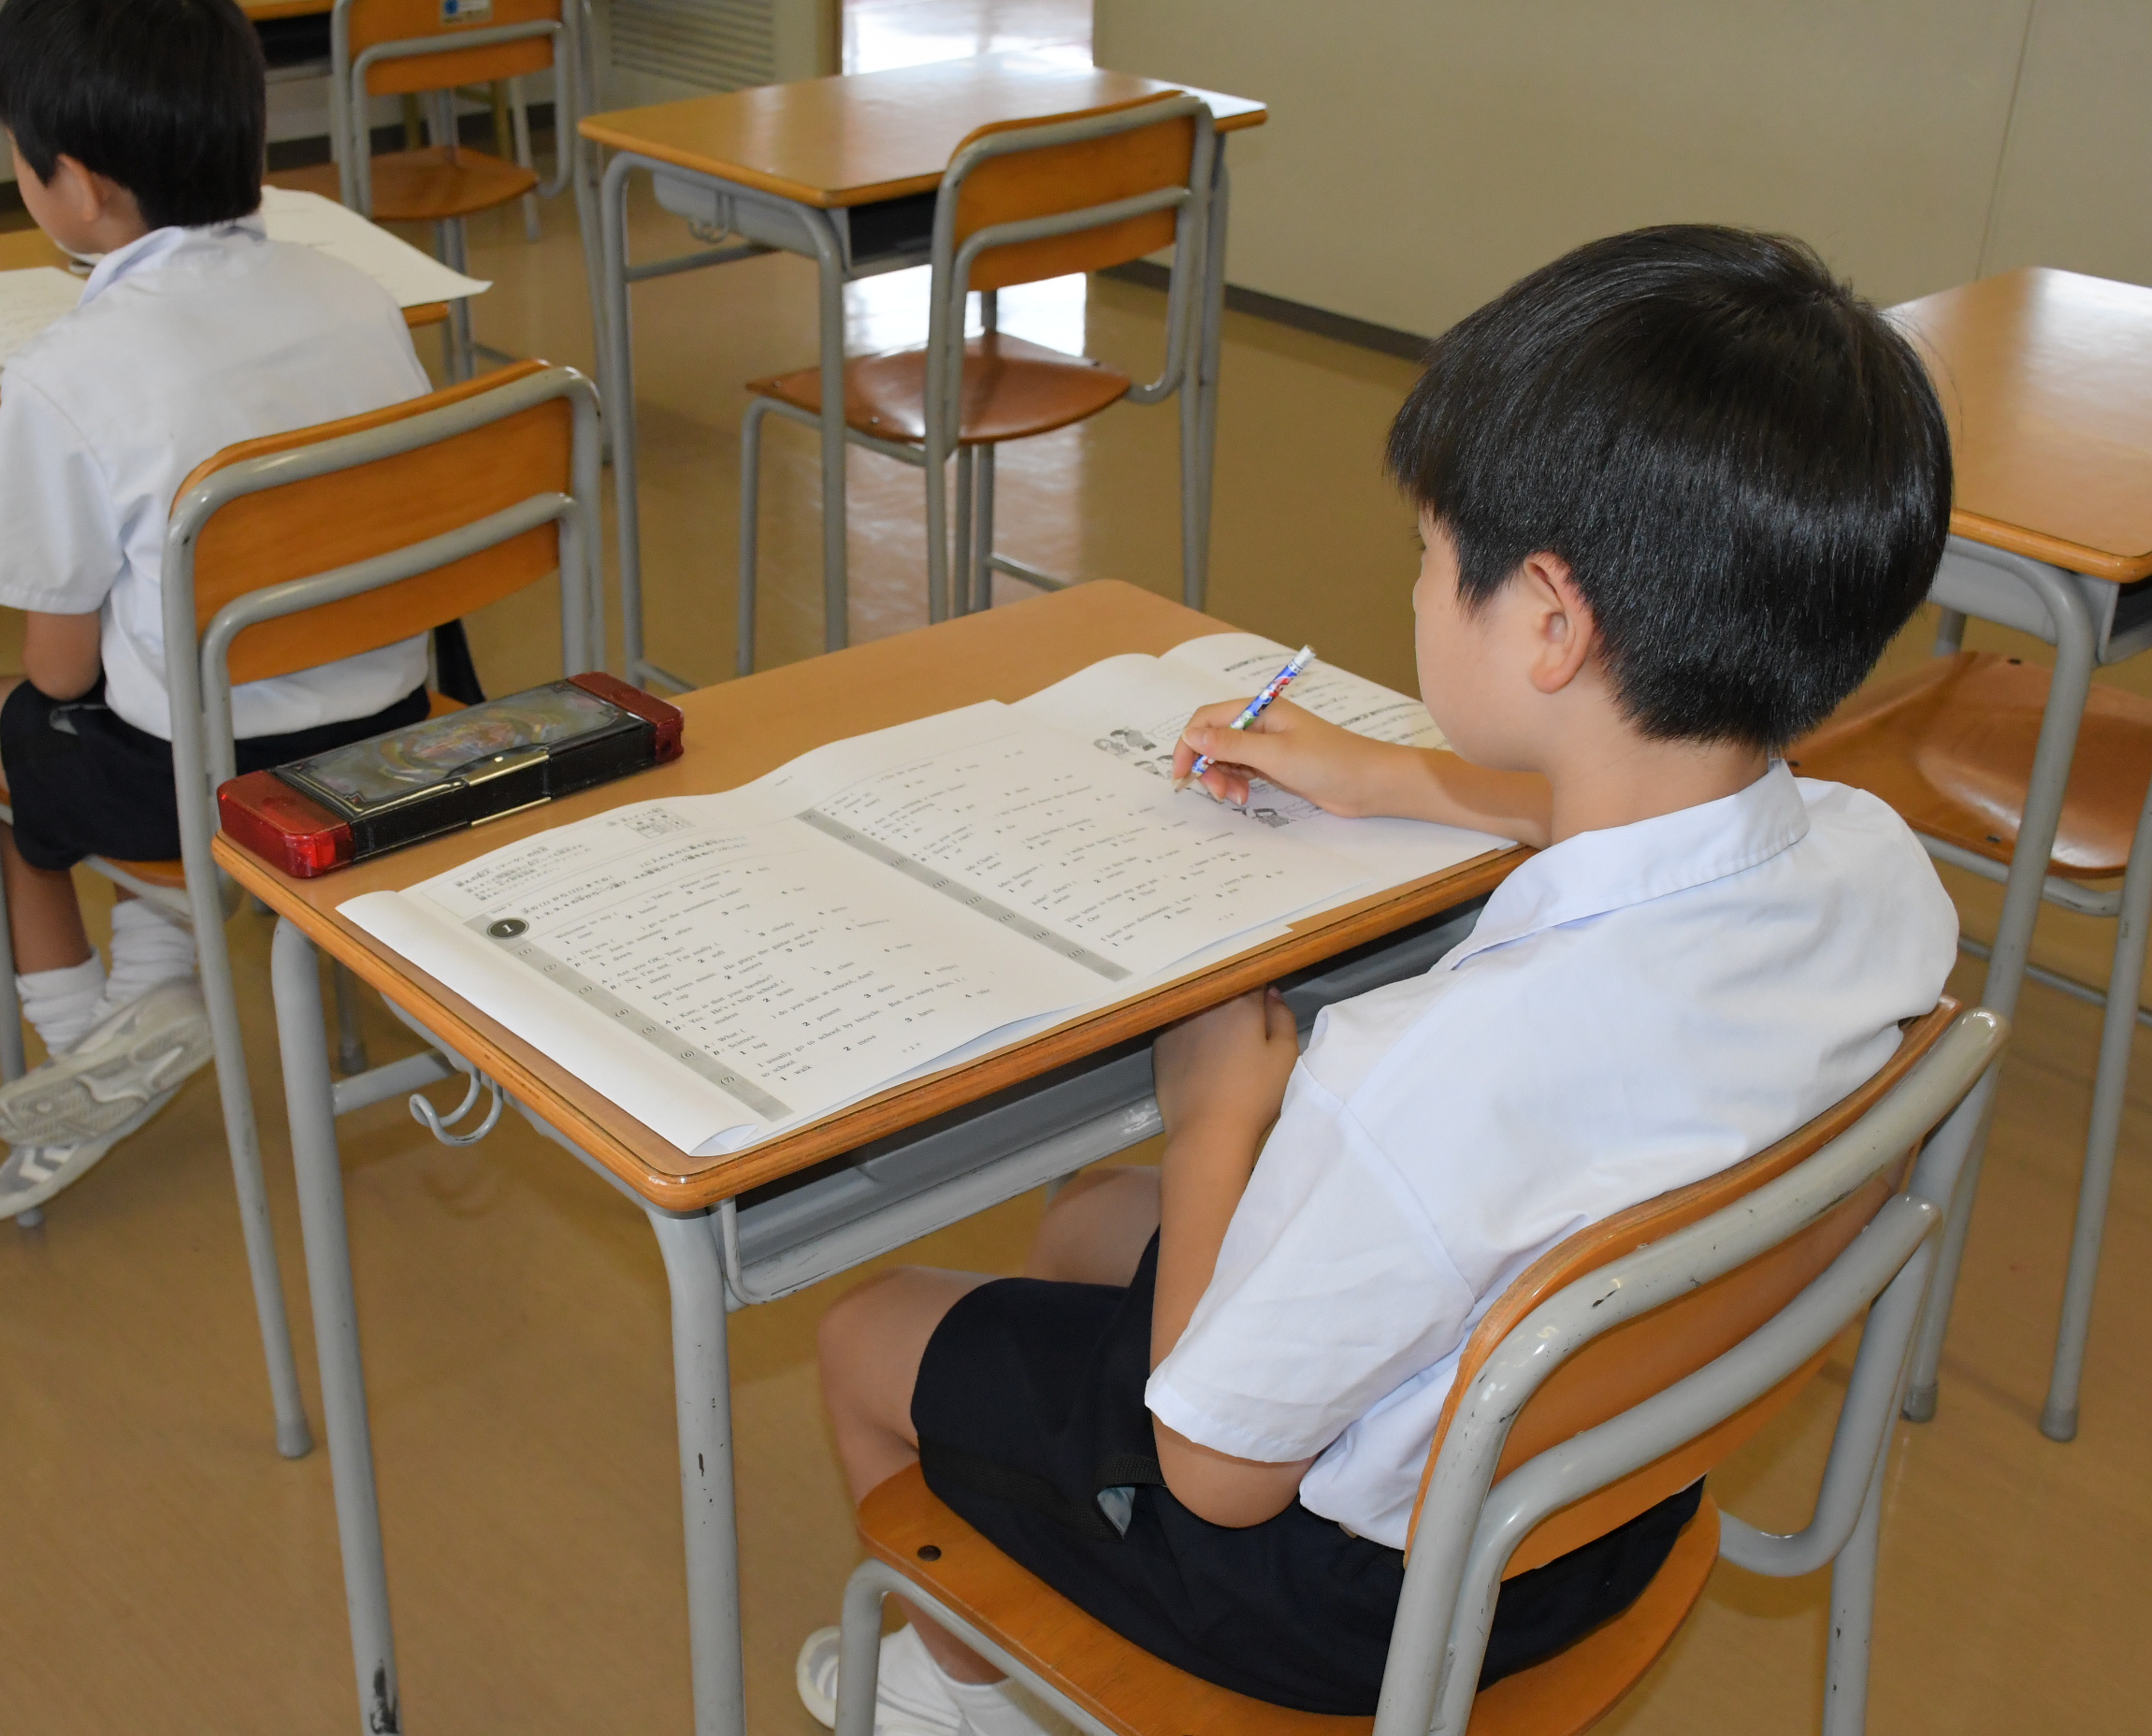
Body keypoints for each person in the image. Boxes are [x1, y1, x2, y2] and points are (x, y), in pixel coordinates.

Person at [796, 224, 1961, 1735]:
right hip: (1609, 1491)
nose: (1414, 583)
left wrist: (1217, 1119)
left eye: (1427, 553)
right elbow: (1652, 816)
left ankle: (964, 1699)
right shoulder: (1878, 866)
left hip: (1356, 1598)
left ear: (1551, 621)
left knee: (868, 1330)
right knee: (1086, 1223)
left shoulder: (1421, 1078)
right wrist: (1395, 777)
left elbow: (1217, 1478)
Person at [0, 0, 433, 1223]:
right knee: (150, 681)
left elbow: (57, 675)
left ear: (79, 187)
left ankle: (89, 1046)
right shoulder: (356, 293)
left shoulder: (68, 369)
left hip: (209, 787)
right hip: (396, 731)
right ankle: (155, 985)